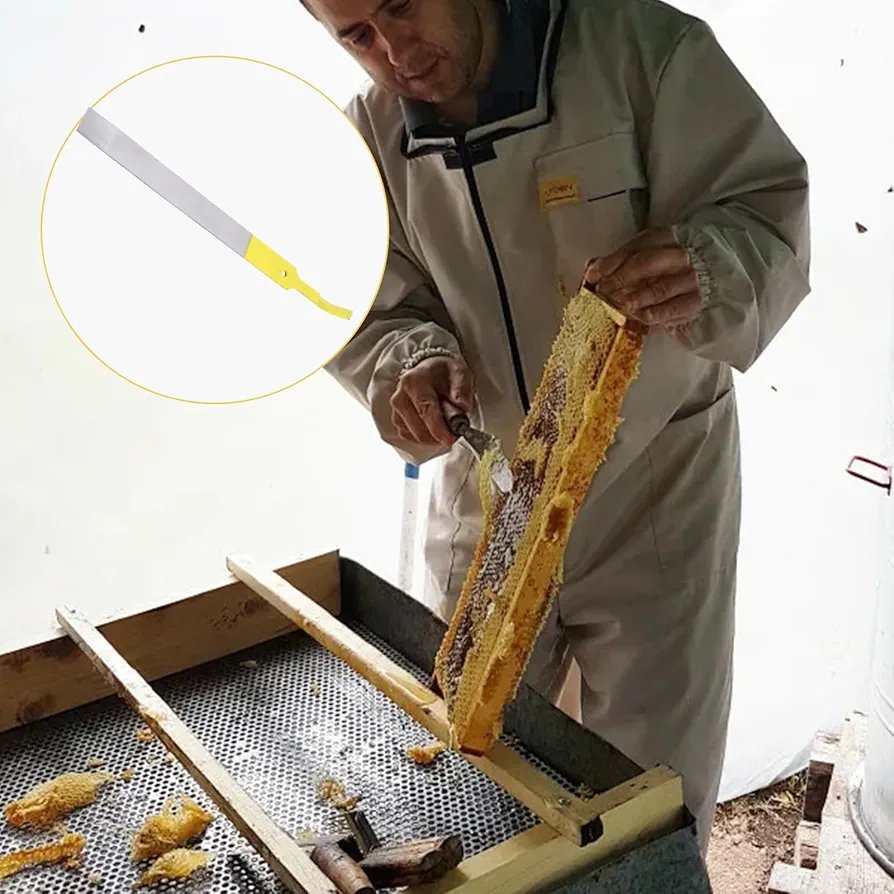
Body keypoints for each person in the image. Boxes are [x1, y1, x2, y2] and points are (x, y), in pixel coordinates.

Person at [307, 0, 811, 853]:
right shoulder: (367, 141)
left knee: (653, 779)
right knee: (465, 759)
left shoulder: (643, 51)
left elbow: (766, 214)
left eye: (401, 5)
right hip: (488, 486)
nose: (395, 51)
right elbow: (367, 304)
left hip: (656, 473)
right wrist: (408, 367)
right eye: (357, 35)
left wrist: (707, 266)